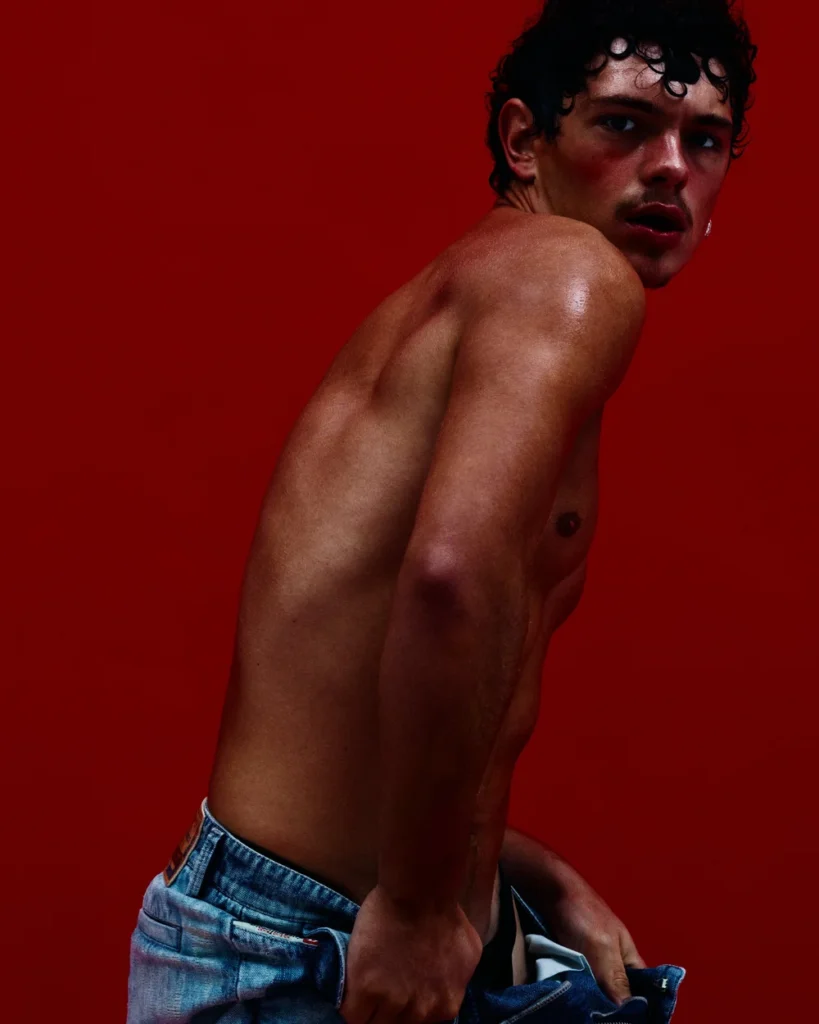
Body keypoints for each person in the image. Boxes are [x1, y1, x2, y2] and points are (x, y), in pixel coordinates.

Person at [127, 0, 757, 1021]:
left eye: (707, 140)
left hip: (293, 925)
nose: (672, 169)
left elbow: (335, 712)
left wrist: (514, 869)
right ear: (524, 140)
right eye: (625, 124)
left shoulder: (474, 291)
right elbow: (448, 578)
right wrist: (422, 906)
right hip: (319, 955)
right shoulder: (570, 275)